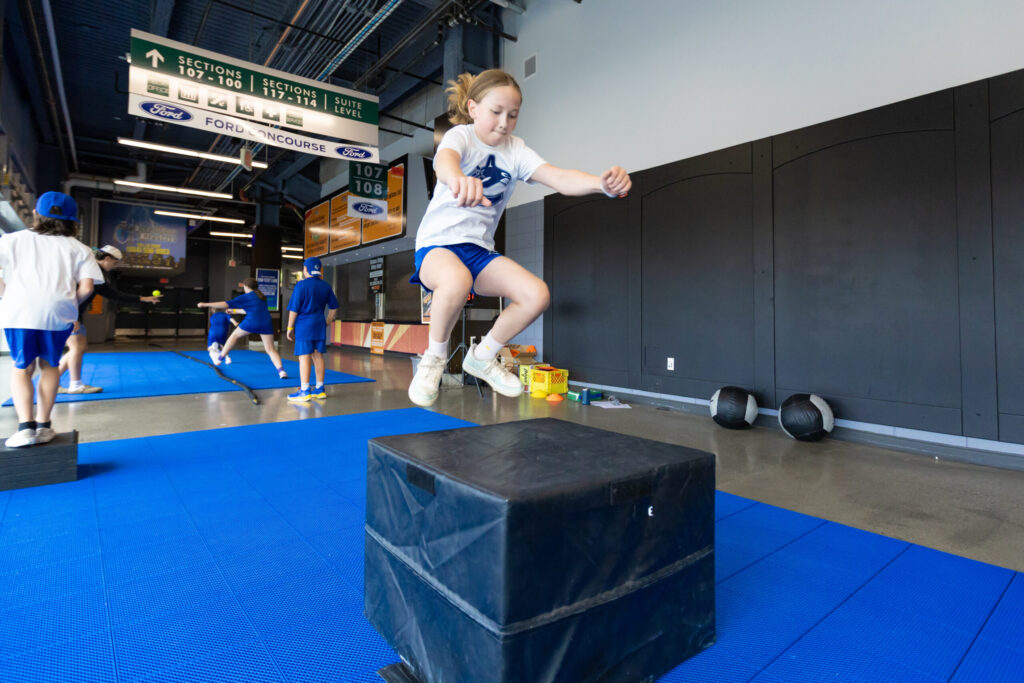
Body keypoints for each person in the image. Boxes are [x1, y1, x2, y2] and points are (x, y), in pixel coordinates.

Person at [407, 69, 631, 407]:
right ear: (473, 108)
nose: (503, 122)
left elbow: (558, 177)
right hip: (437, 245)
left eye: (513, 115)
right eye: (496, 112)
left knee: (536, 294)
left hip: (478, 250)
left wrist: (602, 184)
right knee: (455, 280)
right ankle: (434, 359)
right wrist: (457, 179)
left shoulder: (516, 151)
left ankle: (482, 357)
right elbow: (445, 162)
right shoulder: (461, 137)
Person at [0, 192, 104, 447]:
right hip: (58, 314)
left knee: (22, 367)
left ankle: (25, 427)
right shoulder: (80, 249)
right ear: (73, 221)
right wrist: (70, 306)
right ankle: (45, 425)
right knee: (50, 365)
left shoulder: (12, 239)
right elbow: (87, 288)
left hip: (19, 312)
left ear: (37, 214)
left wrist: (7, 295)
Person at [56, 245, 162, 393]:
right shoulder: (91, 271)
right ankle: (75, 385)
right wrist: (71, 314)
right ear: (107, 259)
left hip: (72, 313)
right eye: (115, 262)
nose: (115, 266)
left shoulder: (95, 273)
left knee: (81, 348)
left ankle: (54, 381)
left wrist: (144, 299)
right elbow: (76, 291)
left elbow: (115, 295)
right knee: (77, 347)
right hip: (69, 313)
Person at [198, 277, 287, 378]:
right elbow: (250, 310)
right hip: (265, 323)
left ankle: (219, 359)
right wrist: (234, 311)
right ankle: (281, 371)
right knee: (271, 350)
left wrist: (205, 304)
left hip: (251, 322)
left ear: (246, 287)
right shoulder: (262, 297)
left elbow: (224, 304)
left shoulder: (246, 296)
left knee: (234, 336)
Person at [285, 256, 339, 402]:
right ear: (319, 270)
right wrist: (327, 320)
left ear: (305, 269)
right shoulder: (325, 286)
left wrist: (289, 327)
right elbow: (334, 307)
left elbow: (294, 309)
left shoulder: (301, 285)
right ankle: (320, 389)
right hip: (319, 324)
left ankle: (304, 390)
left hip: (304, 325)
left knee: (304, 356)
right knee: (317, 355)